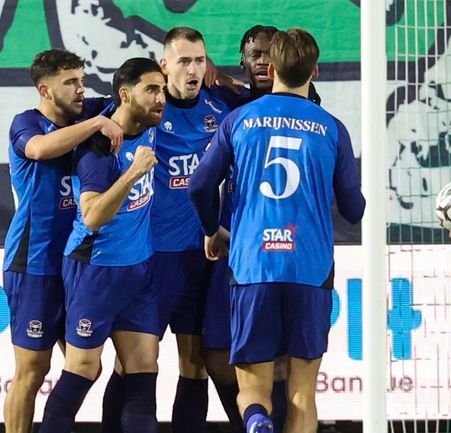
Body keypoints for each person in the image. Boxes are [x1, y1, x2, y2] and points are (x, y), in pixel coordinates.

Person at [189, 28, 365, 433]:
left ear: (270, 68)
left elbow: (199, 186)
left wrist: (212, 230)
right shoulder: (332, 128)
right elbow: (354, 209)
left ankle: (255, 421)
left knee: (253, 390)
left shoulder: (239, 120)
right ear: (315, 71)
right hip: (310, 269)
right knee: (302, 395)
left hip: (253, 267)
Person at [97, 26, 248, 433]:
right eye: (183, 61)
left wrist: (230, 80)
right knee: (133, 364)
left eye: (199, 60)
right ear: (164, 67)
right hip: (151, 258)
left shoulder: (223, 107)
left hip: (202, 256)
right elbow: (104, 108)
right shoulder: (147, 109)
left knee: (195, 365)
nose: (193, 69)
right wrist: (100, 123)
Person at [37, 57, 165, 433]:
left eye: (162, 90)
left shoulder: (146, 120)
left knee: (144, 371)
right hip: (95, 269)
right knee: (83, 369)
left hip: (138, 270)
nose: (161, 99)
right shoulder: (98, 149)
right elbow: (92, 216)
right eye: (152, 91)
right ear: (126, 95)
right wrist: (133, 173)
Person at [2, 49, 120, 433]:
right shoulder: (26, 123)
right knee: (32, 372)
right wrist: (98, 124)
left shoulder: (88, 113)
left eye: (82, 80)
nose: (81, 90)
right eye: (70, 83)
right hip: (34, 264)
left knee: (88, 364)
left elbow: (133, 91)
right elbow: (39, 150)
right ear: (45, 90)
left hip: (79, 266)